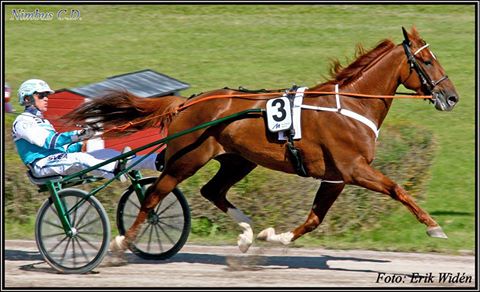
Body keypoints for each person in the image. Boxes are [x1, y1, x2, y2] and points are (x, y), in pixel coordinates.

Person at [12, 79, 164, 181]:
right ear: (27, 99)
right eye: (41, 95)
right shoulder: (22, 122)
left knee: (104, 154)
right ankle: (116, 170)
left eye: (46, 95)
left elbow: (61, 147)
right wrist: (77, 135)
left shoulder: (42, 121)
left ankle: (155, 161)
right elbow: (49, 142)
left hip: (57, 159)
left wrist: (83, 139)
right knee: (82, 159)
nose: (46, 98)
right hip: (42, 165)